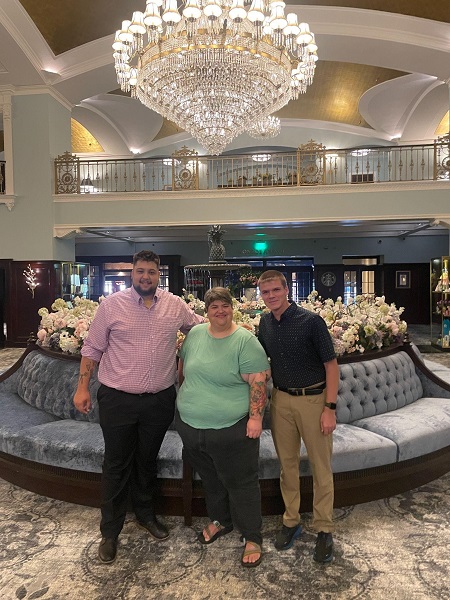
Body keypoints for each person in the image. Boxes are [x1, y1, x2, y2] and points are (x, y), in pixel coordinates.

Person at [73, 250, 203, 564]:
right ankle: (110, 530)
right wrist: (81, 388)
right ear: (133, 273)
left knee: (147, 461)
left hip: (159, 400)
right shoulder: (111, 306)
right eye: (140, 271)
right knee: (117, 464)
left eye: (152, 272)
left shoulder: (174, 306)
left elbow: (200, 330)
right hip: (118, 399)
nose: (146, 277)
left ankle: (146, 515)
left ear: (160, 275)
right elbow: (92, 349)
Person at [175, 287, 270, 568]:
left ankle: (252, 535)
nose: (220, 311)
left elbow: (258, 382)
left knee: (241, 482)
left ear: (232, 309)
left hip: (232, 428)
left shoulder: (245, 341)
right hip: (192, 427)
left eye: (225, 306)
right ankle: (222, 521)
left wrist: (255, 419)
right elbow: (183, 371)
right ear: (206, 311)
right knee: (211, 479)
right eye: (214, 306)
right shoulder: (194, 335)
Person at [257, 270, 338, 564]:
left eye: (275, 290)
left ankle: (324, 528)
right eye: (265, 293)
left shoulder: (311, 322)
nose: (270, 297)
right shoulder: (264, 323)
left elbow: (331, 366)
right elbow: (261, 359)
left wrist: (330, 408)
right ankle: (291, 521)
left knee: (320, 466)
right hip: (280, 401)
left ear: (286, 289)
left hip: (314, 401)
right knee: (287, 465)